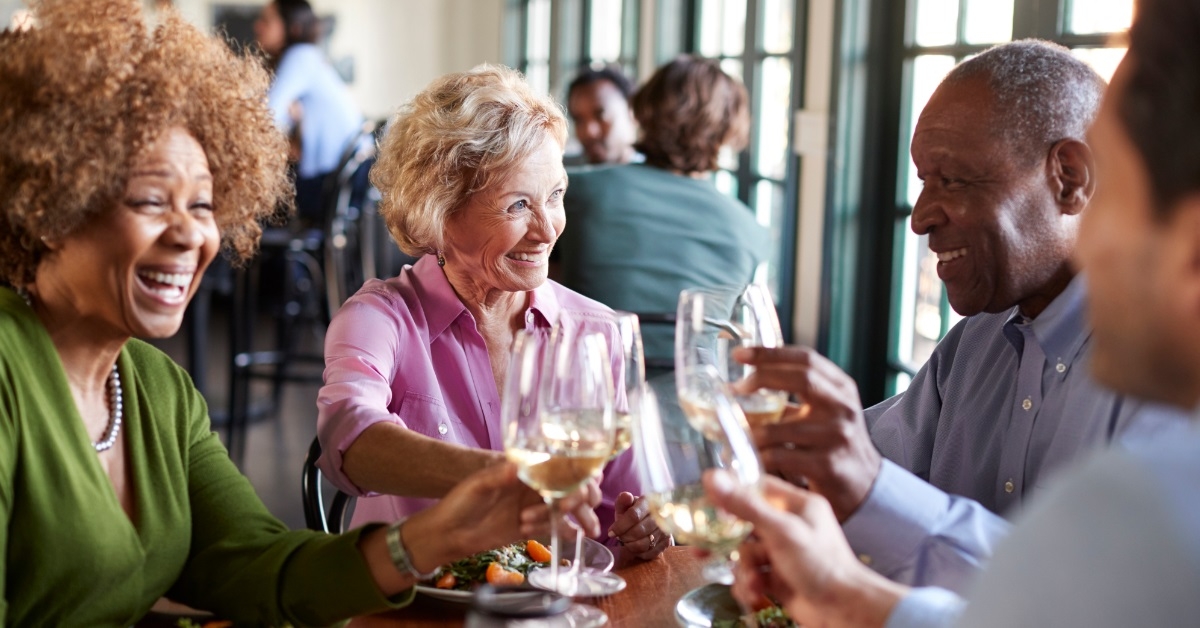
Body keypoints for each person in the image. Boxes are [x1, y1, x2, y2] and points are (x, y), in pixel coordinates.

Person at [0, 2, 594, 625]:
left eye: (204, 205)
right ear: (46, 204)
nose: (189, 235)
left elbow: (255, 565)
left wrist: (433, 537)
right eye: (151, 200)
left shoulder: (154, 387)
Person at [705, 0, 1200, 624]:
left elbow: (1082, 599)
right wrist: (791, 460)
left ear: (1072, 180)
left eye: (955, 181)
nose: (918, 218)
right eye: (922, 181)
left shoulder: (1164, 389)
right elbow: (856, 465)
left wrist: (864, 497)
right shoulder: (973, 345)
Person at [315, 64, 670, 565]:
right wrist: (508, 477)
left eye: (555, 195)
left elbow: (624, 512)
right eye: (519, 205)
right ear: (438, 211)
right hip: (420, 607)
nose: (547, 229)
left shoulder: (596, 331)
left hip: (557, 606)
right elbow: (348, 438)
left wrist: (647, 526)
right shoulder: (381, 319)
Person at [558, 55, 770, 366]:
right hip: (694, 402)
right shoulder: (752, 232)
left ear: (642, 112)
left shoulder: (573, 191)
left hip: (591, 388)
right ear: (727, 132)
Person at [254, 0, 363, 222]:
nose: (257, 26)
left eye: (266, 20)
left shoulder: (299, 56)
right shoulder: (312, 56)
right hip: (350, 177)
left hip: (331, 182)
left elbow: (266, 117)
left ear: (292, 26)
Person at [566, 64, 638, 165]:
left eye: (601, 116)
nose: (589, 132)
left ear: (632, 112)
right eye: (579, 120)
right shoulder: (562, 175)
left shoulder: (657, 175)